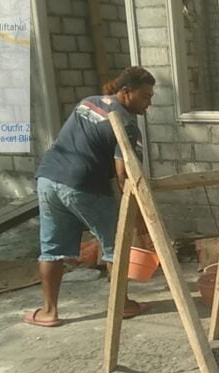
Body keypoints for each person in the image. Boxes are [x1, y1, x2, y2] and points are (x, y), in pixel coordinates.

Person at [23, 66, 155, 327]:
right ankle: (123, 305)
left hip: (49, 179)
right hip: (85, 186)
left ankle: (49, 312)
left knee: (51, 249)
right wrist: (138, 218)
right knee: (115, 246)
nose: (148, 104)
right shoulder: (126, 126)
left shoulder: (88, 103)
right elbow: (124, 176)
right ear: (126, 91)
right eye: (145, 96)